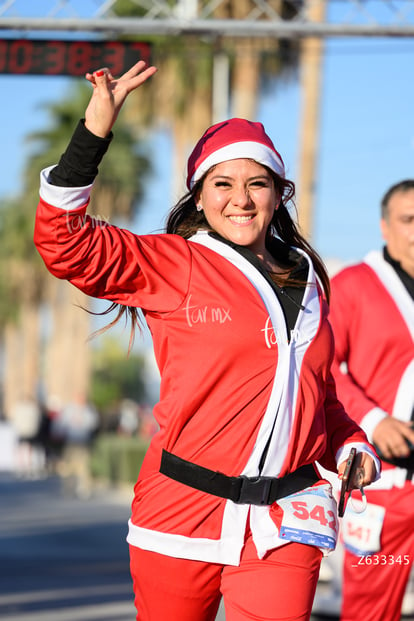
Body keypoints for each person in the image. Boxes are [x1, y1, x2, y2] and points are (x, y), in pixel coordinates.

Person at [33, 61, 379, 621]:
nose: (240, 200)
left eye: (256, 184)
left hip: (283, 524)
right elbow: (63, 244)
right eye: (222, 184)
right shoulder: (174, 262)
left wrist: (349, 443)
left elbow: (315, 394)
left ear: (278, 194)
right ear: (199, 197)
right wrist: (94, 132)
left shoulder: (310, 282)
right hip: (179, 516)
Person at [329, 179, 414, 621]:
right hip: (385, 485)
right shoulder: (353, 286)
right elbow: (322, 366)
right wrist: (374, 419)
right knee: (369, 612)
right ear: (385, 226)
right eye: (408, 220)